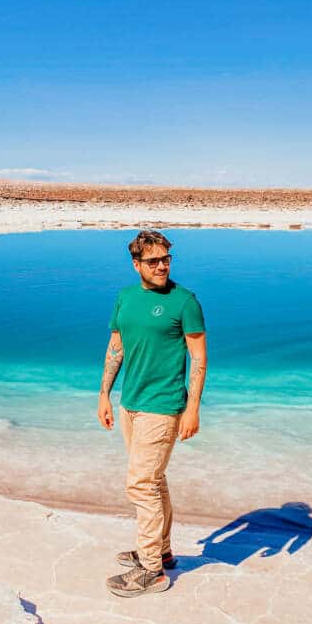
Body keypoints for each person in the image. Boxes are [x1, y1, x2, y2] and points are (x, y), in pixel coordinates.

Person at [98, 229, 207, 597]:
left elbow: (199, 359)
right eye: (153, 261)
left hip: (163, 407)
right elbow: (116, 347)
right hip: (131, 404)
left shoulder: (184, 301)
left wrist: (192, 408)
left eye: (166, 259)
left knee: (140, 484)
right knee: (154, 481)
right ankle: (160, 550)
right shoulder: (125, 298)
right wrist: (104, 395)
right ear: (136, 264)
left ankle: (152, 571)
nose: (161, 266)